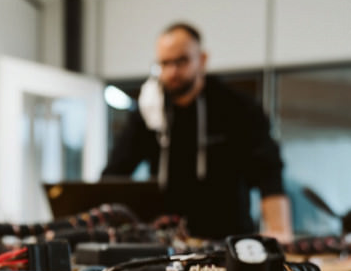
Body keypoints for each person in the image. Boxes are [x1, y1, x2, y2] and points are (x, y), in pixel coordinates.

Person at [102, 22, 292, 241]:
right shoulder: (148, 114)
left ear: (202, 59)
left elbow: (268, 171)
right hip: (166, 242)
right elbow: (115, 174)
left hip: (227, 239)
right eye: (165, 63)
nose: (173, 71)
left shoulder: (237, 108)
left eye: (181, 61)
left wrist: (280, 230)